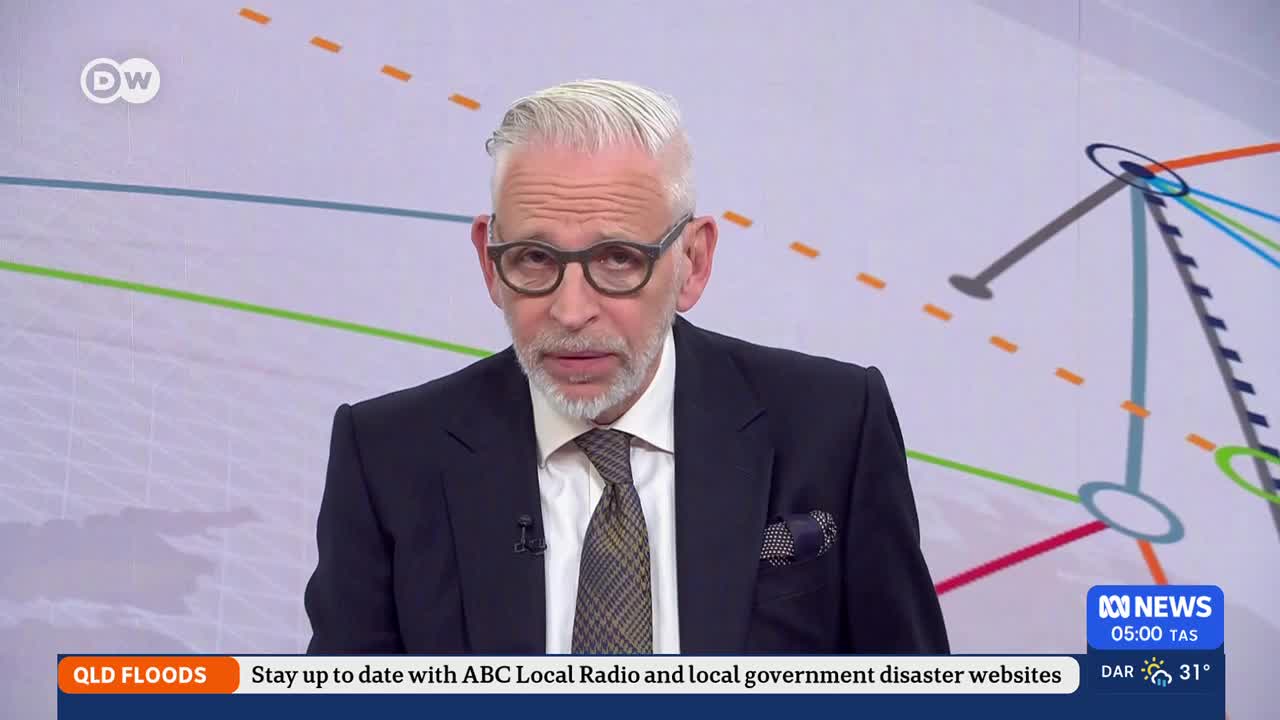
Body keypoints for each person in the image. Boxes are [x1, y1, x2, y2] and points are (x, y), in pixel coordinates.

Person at [304, 79, 949, 655]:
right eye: (532, 258)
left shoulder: (834, 425)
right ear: (488, 261)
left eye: (617, 259)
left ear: (692, 263)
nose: (572, 309)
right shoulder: (388, 456)